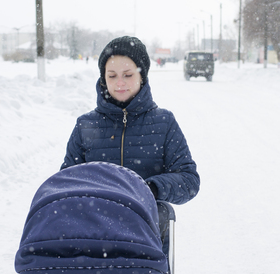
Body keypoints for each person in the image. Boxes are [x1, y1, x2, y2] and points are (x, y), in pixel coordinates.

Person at [60, 36, 200, 205]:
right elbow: (66, 182)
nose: (120, 83)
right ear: (103, 79)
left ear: (142, 76)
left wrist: (151, 189)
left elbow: (188, 179)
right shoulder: (85, 125)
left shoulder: (164, 122)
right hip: (94, 225)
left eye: (127, 75)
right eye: (112, 76)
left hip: (145, 226)